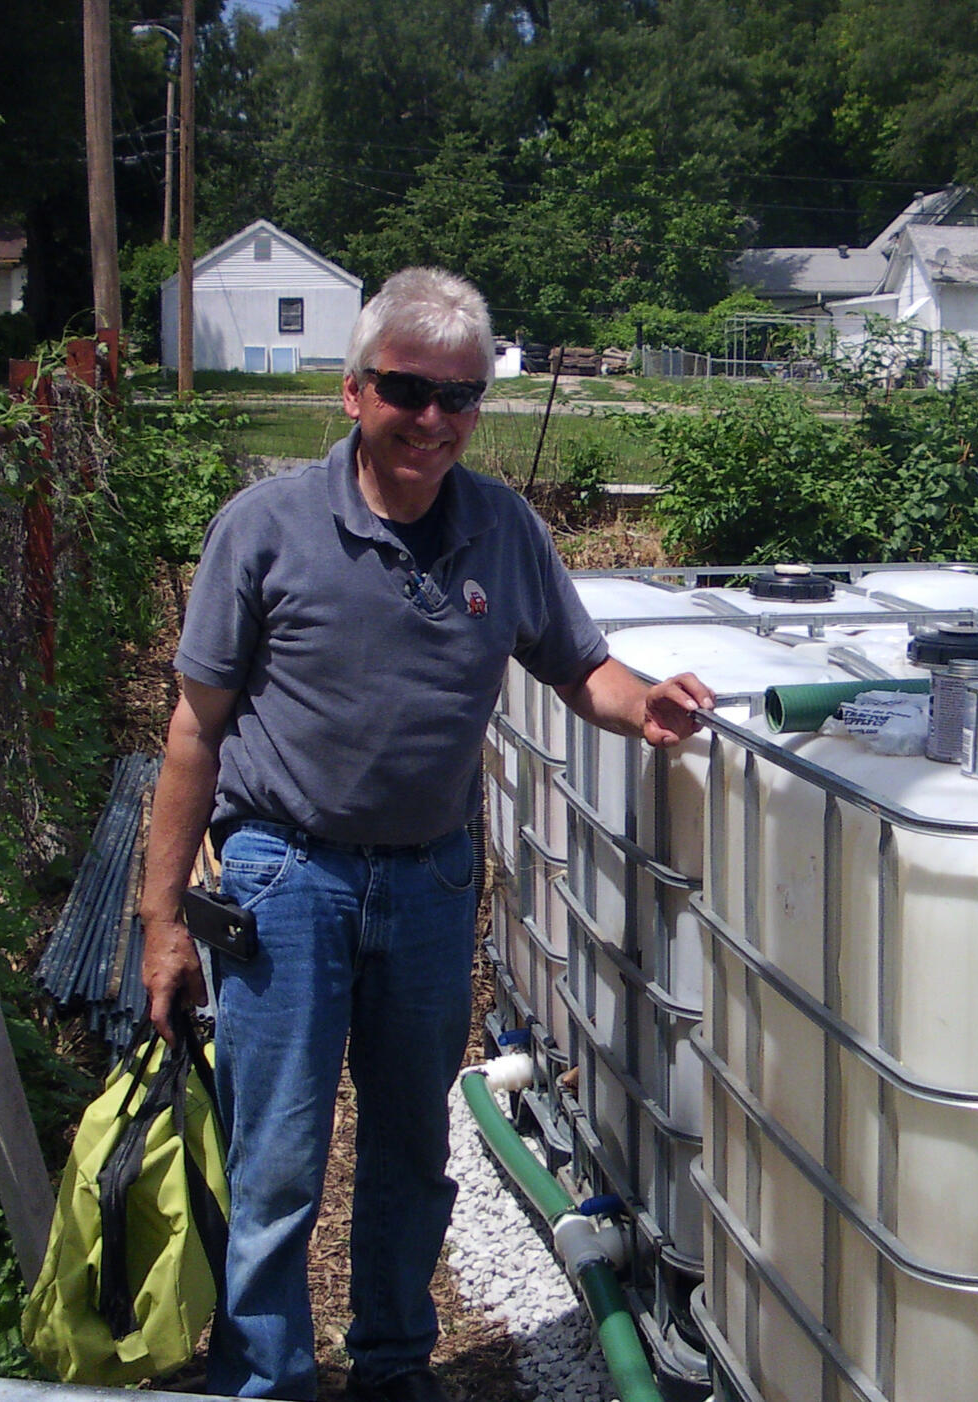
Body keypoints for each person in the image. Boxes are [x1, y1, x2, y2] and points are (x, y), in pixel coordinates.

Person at [138, 266, 713, 1402]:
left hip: (434, 881)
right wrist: (161, 919)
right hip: (283, 877)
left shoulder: (498, 527)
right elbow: (193, 735)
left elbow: (575, 662)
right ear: (353, 392)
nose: (435, 421)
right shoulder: (266, 528)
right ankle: (265, 1377)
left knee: (412, 1149)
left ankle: (395, 1368)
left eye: (460, 399)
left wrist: (643, 700)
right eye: (409, 391)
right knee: (280, 1156)